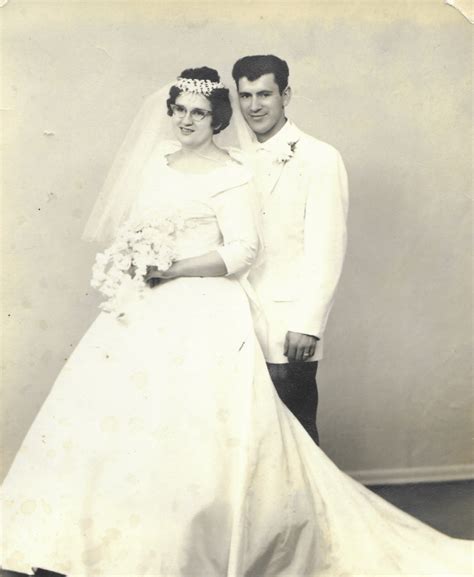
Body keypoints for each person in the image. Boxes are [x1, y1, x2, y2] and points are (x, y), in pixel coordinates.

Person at [1, 67, 471, 577]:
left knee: (203, 430)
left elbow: (245, 248)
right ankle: (95, 544)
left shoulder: (231, 172)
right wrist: (136, 259)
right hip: (145, 307)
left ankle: (204, 547)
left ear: (217, 120)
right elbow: (135, 229)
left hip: (203, 306)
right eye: (180, 109)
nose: (187, 119)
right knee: (120, 420)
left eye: (199, 113)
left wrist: (173, 268)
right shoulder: (155, 166)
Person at [231, 54, 348, 445]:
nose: (254, 106)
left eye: (264, 94)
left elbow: (327, 246)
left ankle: (305, 508)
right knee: (246, 432)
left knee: (294, 430)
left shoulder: (320, 157)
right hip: (235, 317)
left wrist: (308, 324)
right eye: (245, 95)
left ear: (286, 95)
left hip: (289, 322)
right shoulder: (232, 160)